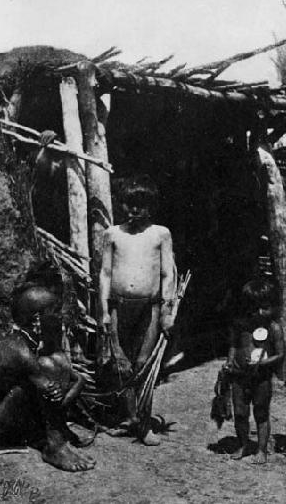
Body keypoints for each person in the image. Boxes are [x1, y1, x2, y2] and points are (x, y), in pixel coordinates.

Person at [0, 263, 95, 472]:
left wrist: (76, 382)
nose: (59, 316)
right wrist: (72, 388)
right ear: (37, 320)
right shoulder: (21, 351)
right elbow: (54, 396)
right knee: (48, 368)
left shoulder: (24, 342)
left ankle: (54, 437)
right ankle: (55, 447)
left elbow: (65, 385)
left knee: (48, 368)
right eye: (53, 311)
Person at [98, 175, 176, 446]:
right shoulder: (112, 234)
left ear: (151, 207)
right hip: (120, 306)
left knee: (143, 365)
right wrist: (104, 312)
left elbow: (168, 274)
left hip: (150, 309)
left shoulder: (160, 234)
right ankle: (131, 417)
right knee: (122, 366)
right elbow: (105, 273)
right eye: (129, 204)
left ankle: (144, 423)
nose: (134, 211)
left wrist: (167, 312)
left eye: (140, 205)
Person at [223, 278, 284, 465]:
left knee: (261, 413)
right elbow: (234, 345)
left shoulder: (274, 328)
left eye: (264, 307)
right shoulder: (240, 325)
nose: (259, 312)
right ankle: (242, 445)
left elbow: (281, 354)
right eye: (254, 307)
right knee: (240, 412)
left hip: (261, 378)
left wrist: (264, 362)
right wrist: (230, 361)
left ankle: (261, 449)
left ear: (272, 307)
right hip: (239, 376)